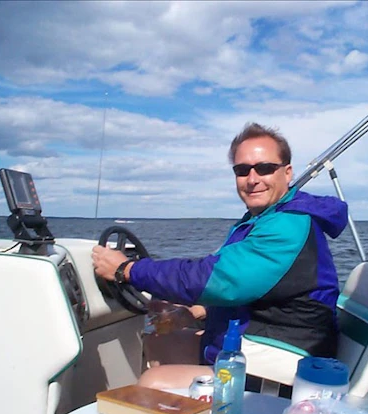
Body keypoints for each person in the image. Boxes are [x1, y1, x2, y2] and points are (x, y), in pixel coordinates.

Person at [92, 122, 348, 389]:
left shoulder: (287, 226)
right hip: (263, 340)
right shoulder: (263, 219)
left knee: (153, 382)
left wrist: (127, 270)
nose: (252, 179)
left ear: (287, 172)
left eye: (264, 168)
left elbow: (214, 279)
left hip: (283, 364)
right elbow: (257, 289)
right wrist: (199, 310)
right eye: (242, 170)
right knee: (161, 341)